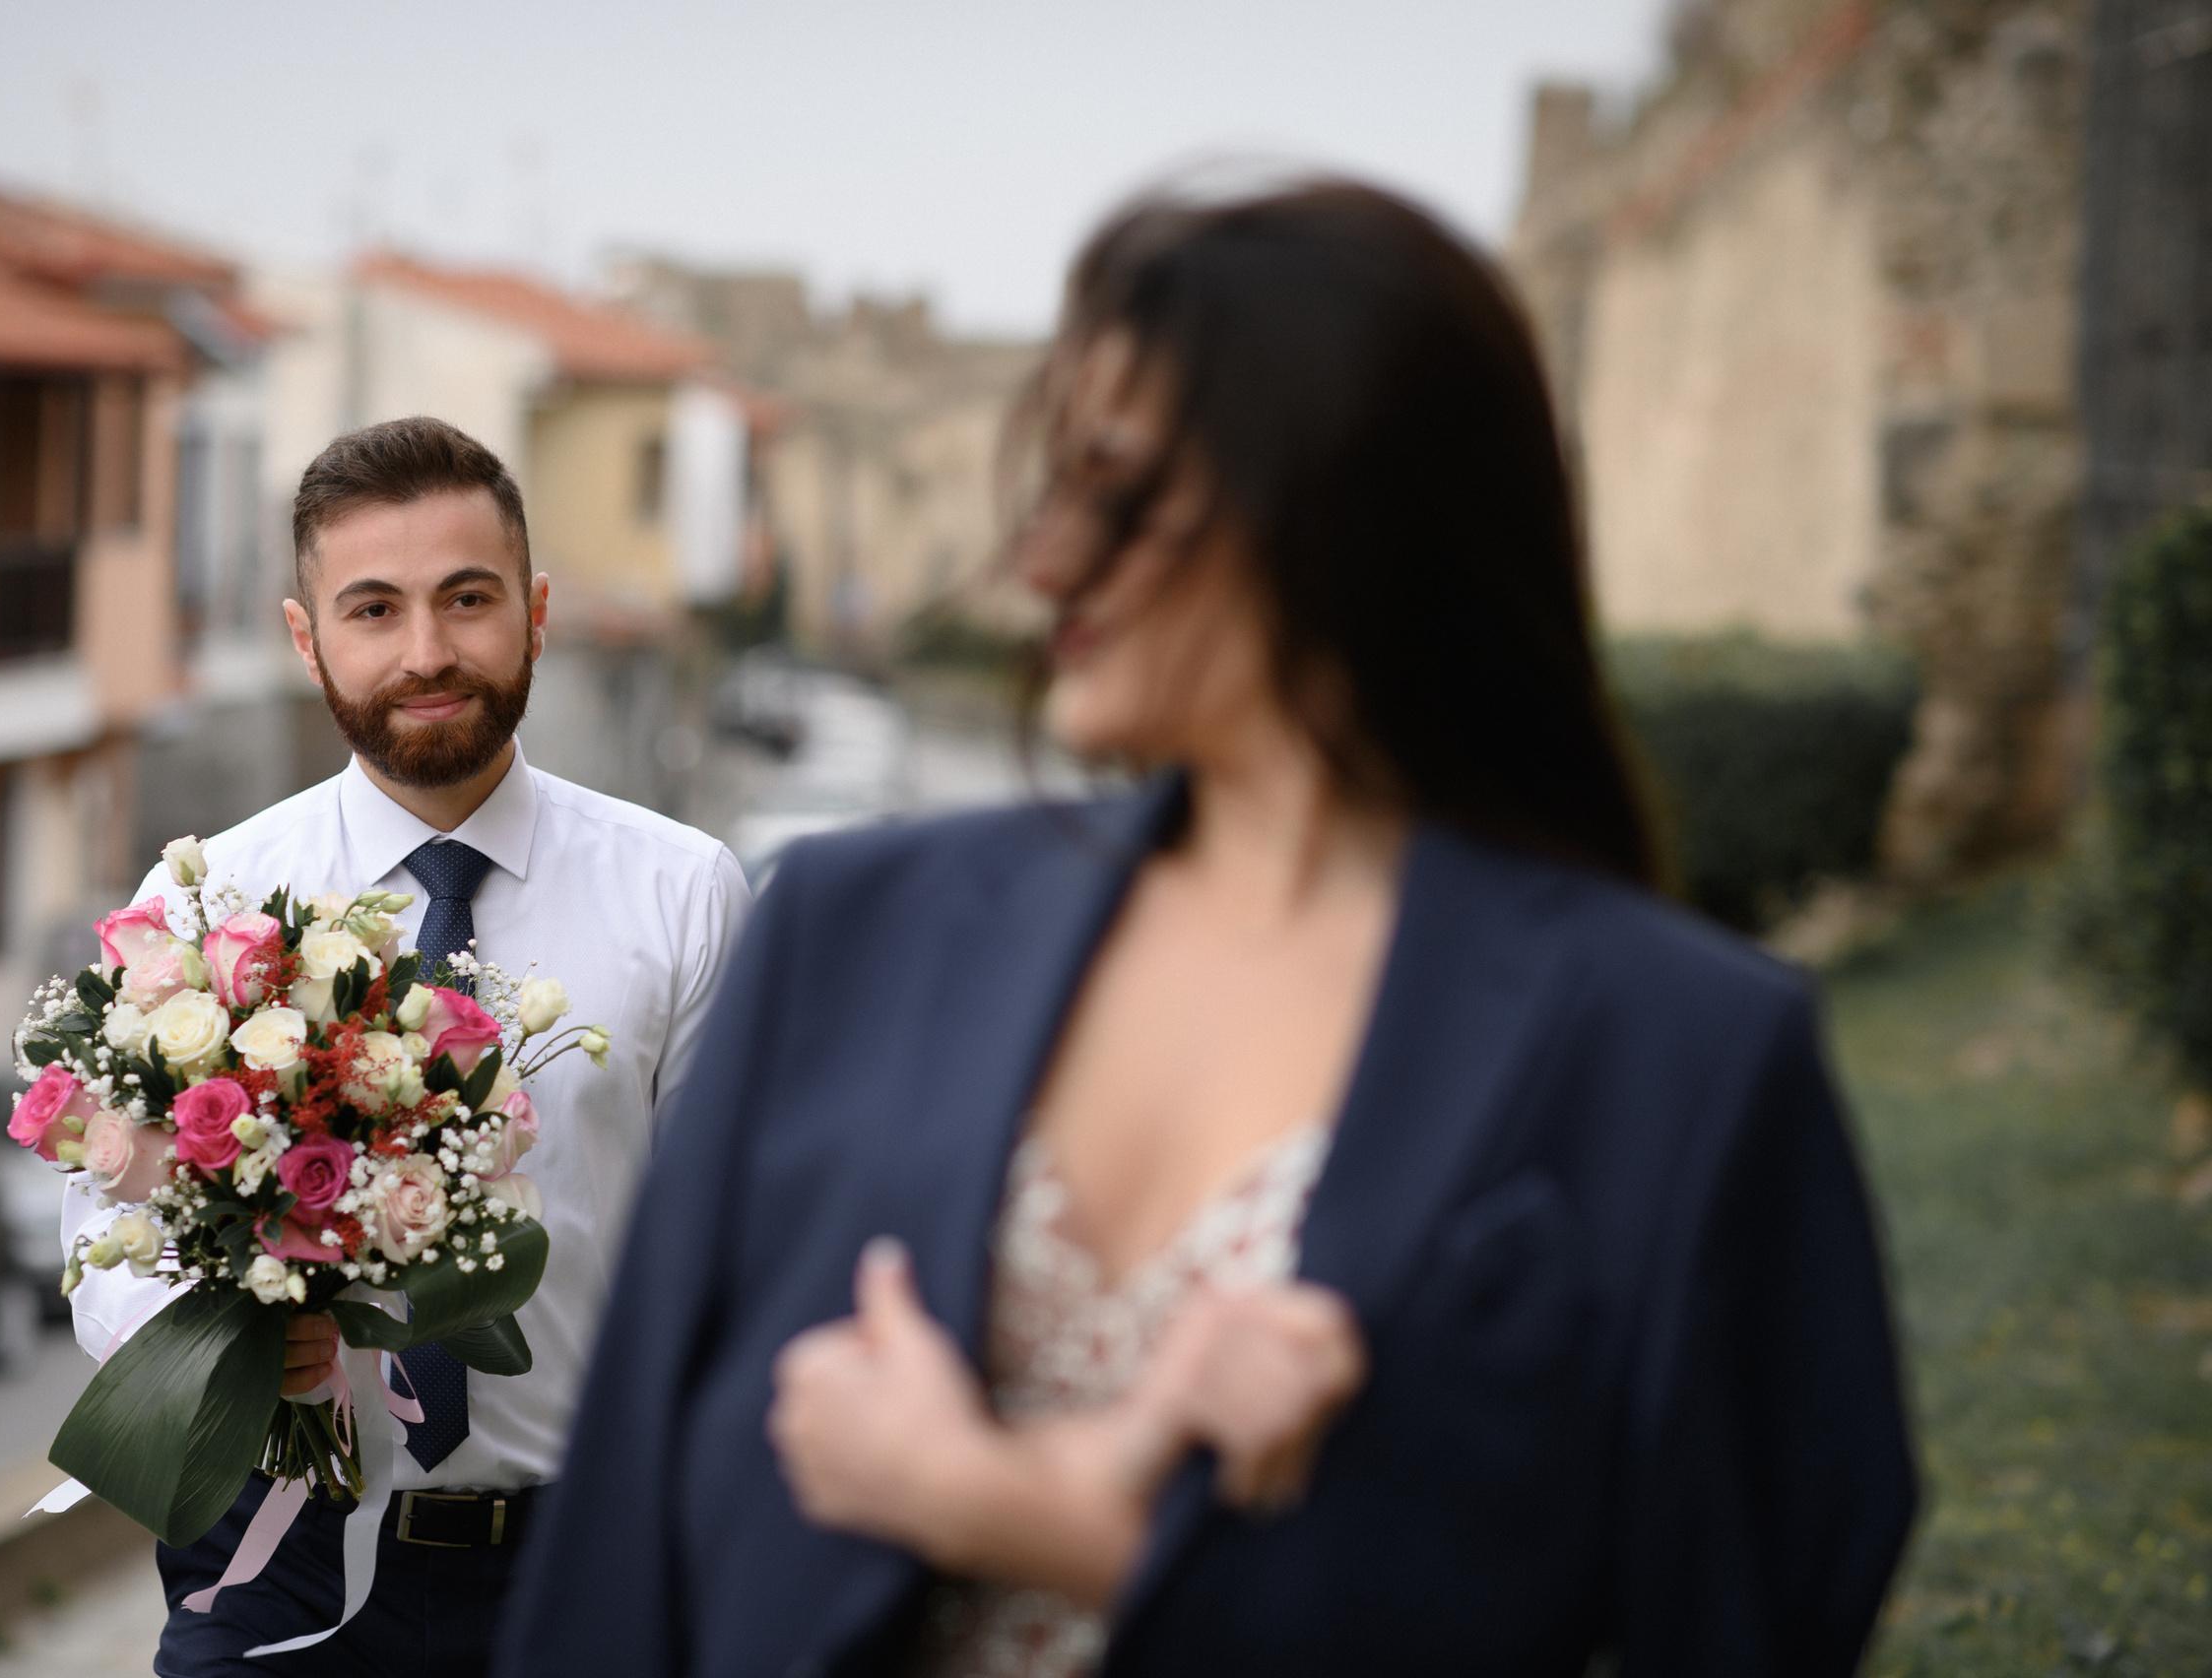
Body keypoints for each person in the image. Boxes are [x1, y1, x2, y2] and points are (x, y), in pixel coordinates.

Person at [498, 178, 1917, 1677]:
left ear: (1347, 502)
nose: (1041, 561)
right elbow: (615, 1575)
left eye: (1117, 492)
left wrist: (1015, 1509)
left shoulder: (1683, 1053)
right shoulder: (848, 934)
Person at [62, 416, 749, 1677]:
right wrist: (231, 1325)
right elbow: (100, 1237)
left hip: (578, 1572)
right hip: (273, 1559)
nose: (427, 653)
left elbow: (731, 1263)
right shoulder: (200, 908)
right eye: (373, 609)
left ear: (535, 611)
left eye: (467, 598)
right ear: (303, 637)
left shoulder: (684, 893)